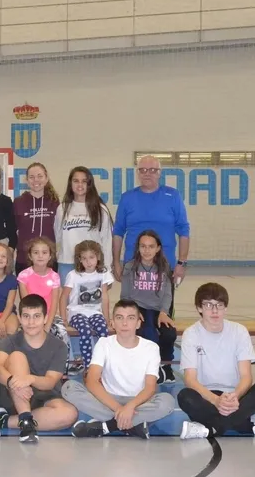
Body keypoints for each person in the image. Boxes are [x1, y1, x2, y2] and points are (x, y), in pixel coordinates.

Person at [177, 283, 255, 439]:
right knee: (185, 396)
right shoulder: (191, 334)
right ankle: (250, 426)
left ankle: (211, 428)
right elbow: (190, 380)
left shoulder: (239, 331)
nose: (215, 310)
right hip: (207, 396)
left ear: (226, 308)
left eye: (219, 305)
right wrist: (216, 400)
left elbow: (246, 376)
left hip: (235, 396)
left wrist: (235, 397)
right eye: (208, 305)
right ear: (199, 308)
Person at [62, 300, 175, 439]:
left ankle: (107, 426)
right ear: (112, 323)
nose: (125, 323)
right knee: (68, 387)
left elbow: (150, 388)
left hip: (138, 402)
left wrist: (130, 407)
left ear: (138, 323)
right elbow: (91, 381)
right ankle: (132, 425)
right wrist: (119, 409)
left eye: (131, 318)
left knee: (167, 402)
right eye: (119, 318)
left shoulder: (151, 347)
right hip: (108, 400)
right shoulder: (104, 343)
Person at [0, 295, 78, 443]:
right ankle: (25, 419)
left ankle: (5, 421)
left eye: (36, 316)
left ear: (45, 318)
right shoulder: (9, 341)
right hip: (12, 393)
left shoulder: (59, 346)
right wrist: (12, 381)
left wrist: (30, 379)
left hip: (42, 396)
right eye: (26, 316)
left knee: (69, 414)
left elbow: (49, 382)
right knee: (17, 357)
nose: (31, 322)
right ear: (20, 319)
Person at [112, 155, 190, 335]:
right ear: (138, 173)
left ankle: (165, 361)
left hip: (165, 267)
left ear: (160, 173)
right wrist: (116, 262)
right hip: (134, 268)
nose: (148, 174)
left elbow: (184, 230)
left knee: (164, 322)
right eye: (143, 170)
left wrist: (182, 262)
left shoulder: (172, 196)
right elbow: (118, 232)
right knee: (133, 319)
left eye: (153, 170)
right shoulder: (127, 198)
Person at [120, 230, 177, 382]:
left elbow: (167, 294)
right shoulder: (130, 267)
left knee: (169, 333)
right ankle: (151, 368)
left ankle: (166, 366)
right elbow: (125, 295)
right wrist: (133, 311)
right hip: (138, 308)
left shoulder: (164, 267)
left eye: (151, 246)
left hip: (159, 310)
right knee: (149, 333)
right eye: (143, 246)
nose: (146, 250)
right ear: (138, 248)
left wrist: (165, 312)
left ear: (158, 248)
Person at [60, 240, 113, 370]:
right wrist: (64, 319)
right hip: (76, 313)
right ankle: (88, 365)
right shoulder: (73, 275)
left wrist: (106, 318)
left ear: (98, 257)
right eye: (84, 258)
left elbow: (105, 297)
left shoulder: (103, 273)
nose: (88, 262)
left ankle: (101, 364)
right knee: (85, 330)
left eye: (91, 257)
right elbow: (64, 297)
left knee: (103, 330)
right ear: (79, 260)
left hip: (95, 312)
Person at [54, 166, 113, 278]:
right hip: (67, 263)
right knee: (68, 296)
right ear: (70, 184)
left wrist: (107, 269)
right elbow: (58, 237)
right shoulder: (62, 209)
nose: (80, 185)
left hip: (92, 264)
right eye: (76, 181)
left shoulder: (100, 209)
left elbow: (106, 240)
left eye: (84, 181)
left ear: (89, 184)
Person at [17, 237, 69, 347]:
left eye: (44, 252)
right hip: (31, 317)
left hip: (51, 316)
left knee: (62, 333)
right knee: (24, 337)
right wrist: (35, 323)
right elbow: (27, 305)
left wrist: (47, 326)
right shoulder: (23, 276)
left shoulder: (54, 276)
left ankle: (64, 363)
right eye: (36, 252)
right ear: (30, 256)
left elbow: (54, 304)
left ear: (50, 256)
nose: (40, 256)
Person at [13, 162, 60, 274]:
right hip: (24, 260)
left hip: (49, 260)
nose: (36, 180)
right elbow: (12, 231)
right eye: (32, 177)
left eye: (40, 176)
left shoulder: (55, 202)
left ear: (46, 178)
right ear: (26, 180)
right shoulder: (18, 202)